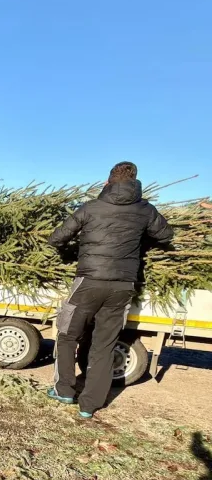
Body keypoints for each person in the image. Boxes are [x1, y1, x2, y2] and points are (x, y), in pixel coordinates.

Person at [47, 162, 173, 418]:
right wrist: (140, 239)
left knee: (67, 334)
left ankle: (64, 390)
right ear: (135, 182)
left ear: (107, 182)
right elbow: (166, 235)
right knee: (104, 345)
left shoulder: (91, 207)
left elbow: (56, 238)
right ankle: (89, 405)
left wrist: (74, 248)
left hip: (87, 283)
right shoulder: (145, 210)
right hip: (123, 286)